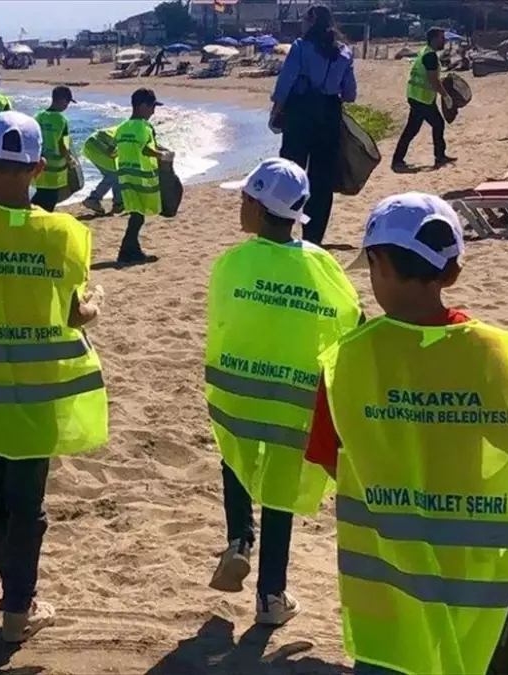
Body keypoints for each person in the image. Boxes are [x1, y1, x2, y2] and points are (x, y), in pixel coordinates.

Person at [305, 193, 508, 674]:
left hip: (384, 579)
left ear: (376, 264)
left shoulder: (347, 360)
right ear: (452, 272)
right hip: (466, 580)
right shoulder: (489, 353)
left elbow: (330, 458)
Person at [0, 110, 108, 643]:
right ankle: (16, 611)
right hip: (36, 394)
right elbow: (74, 314)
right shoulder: (67, 234)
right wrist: (96, 305)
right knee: (25, 503)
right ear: (38, 169)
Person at [205, 158, 362, 627]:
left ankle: (238, 539)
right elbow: (348, 319)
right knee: (280, 491)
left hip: (237, 391)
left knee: (235, 456)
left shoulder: (235, 261)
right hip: (294, 399)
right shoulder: (321, 263)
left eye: (242, 200)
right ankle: (271, 596)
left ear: (254, 207)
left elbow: (221, 317)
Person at [269, 3, 358, 246]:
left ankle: (282, 230)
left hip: (301, 114)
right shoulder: (345, 52)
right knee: (322, 181)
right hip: (329, 115)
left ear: (310, 22)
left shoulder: (300, 47)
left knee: (290, 174)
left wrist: (275, 113)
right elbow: (350, 94)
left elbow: (284, 85)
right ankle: (313, 237)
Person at [116, 88, 169, 264]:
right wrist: (162, 156)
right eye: (152, 107)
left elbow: (115, 150)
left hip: (125, 177)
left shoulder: (121, 128)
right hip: (142, 179)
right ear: (141, 106)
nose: (153, 111)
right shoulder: (146, 127)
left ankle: (133, 250)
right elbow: (146, 149)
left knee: (136, 215)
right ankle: (125, 251)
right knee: (138, 217)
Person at [391, 28, 456, 172]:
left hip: (417, 96)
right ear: (434, 39)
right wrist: (446, 96)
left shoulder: (425, 51)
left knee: (412, 129)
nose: (444, 41)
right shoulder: (430, 56)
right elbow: (433, 81)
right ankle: (439, 157)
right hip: (422, 98)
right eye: (441, 38)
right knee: (437, 123)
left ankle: (398, 160)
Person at [30, 85, 75, 212]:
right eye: (67, 102)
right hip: (55, 170)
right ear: (62, 100)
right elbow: (64, 145)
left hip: (39, 167)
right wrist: (70, 161)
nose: (67, 106)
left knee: (41, 194)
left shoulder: (38, 117)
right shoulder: (62, 120)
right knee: (50, 199)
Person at [80, 124, 123, 215]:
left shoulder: (125, 127)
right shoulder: (127, 133)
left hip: (91, 145)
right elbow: (111, 151)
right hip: (99, 146)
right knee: (114, 174)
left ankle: (118, 203)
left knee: (114, 174)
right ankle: (94, 199)